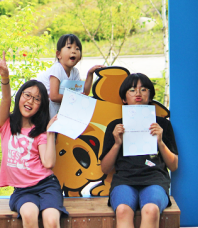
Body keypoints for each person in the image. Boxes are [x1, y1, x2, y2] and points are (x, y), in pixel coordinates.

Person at [0, 50, 66, 228]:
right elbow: (5, 99)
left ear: (40, 107)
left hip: (46, 186)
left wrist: (50, 132)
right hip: (23, 191)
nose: (31, 101)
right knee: (28, 215)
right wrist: (5, 77)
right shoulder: (7, 124)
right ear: (19, 96)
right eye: (27, 95)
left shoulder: (40, 132)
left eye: (37, 99)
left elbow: (48, 163)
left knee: (51, 220)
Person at [100, 73, 179, 228]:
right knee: (122, 210)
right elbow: (105, 168)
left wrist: (160, 142)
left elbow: (174, 165)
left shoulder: (162, 125)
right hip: (124, 181)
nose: (138, 93)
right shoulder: (115, 126)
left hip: (155, 181)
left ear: (150, 95)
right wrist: (117, 143)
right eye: (132, 90)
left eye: (143, 89)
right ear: (124, 98)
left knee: (151, 210)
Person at [36, 34, 103, 118]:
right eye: (69, 47)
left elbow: (84, 93)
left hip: (57, 112)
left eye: (77, 49)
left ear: (80, 57)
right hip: (43, 111)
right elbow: (53, 96)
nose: (73, 51)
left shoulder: (75, 72)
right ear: (58, 54)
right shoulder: (57, 69)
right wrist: (76, 98)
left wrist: (90, 74)